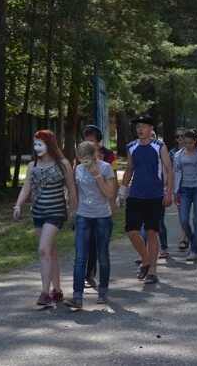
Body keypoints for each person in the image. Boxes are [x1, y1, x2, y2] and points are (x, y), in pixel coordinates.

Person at [13, 130, 75, 307]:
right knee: (50, 251)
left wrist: (73, 211)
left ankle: (44, 293)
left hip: (56, 213)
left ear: (50, 145)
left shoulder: (62, 165)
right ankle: (56, 291)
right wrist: (18, 205)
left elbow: (71, 189)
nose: (37, 147)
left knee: (42, 250)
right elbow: (26, 188)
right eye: (35, 144)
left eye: (41, 143)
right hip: (38, 213)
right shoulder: (32, 166)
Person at [118, 115, 173, 285]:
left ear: (151, 128)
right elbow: (129, 169)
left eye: (143, 126)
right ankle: (146, 260)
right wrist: (122, 192)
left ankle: (152, 271)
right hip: (135, 195)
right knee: (131, 230)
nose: (140, 129)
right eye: (137, 127)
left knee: (151, 232)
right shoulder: (131, 147)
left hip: (155, 195)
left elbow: (169, 170)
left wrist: (168, 193)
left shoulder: (159, 146)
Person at [65, 141, 117, 309]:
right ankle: (77, 296)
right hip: (83, 216)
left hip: (102, 216)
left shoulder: (105, 168)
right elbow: (75, 193)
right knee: (80, 257)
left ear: (94, 156)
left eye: (87, 160)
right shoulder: (77, 170)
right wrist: (72, 211)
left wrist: (97, 177)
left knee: (102, 255)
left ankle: (103, 291)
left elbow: (110, 194)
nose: (84, 163)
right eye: (81, 160)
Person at [80, 124, 118, 290]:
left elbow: (113, 178)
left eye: (92, 142)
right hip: (86, 208)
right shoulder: (82, 156)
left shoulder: (109, 155)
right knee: (88, 244)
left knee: (98, 244)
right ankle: (89, 274)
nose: (88, 145)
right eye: (85, 141)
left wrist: (113, 202)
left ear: (99, 142)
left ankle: (94, 275)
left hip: (103, 206)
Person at [173, 130, 197, 261]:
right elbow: (175, 173)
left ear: (195, 142)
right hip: (184, 190)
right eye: (185, 143)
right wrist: (174, 191)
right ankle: (194, 240)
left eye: (190, 143)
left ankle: (194, 250)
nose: (187, 145)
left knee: (196, 220)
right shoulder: (178, 155)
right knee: (183, 220)